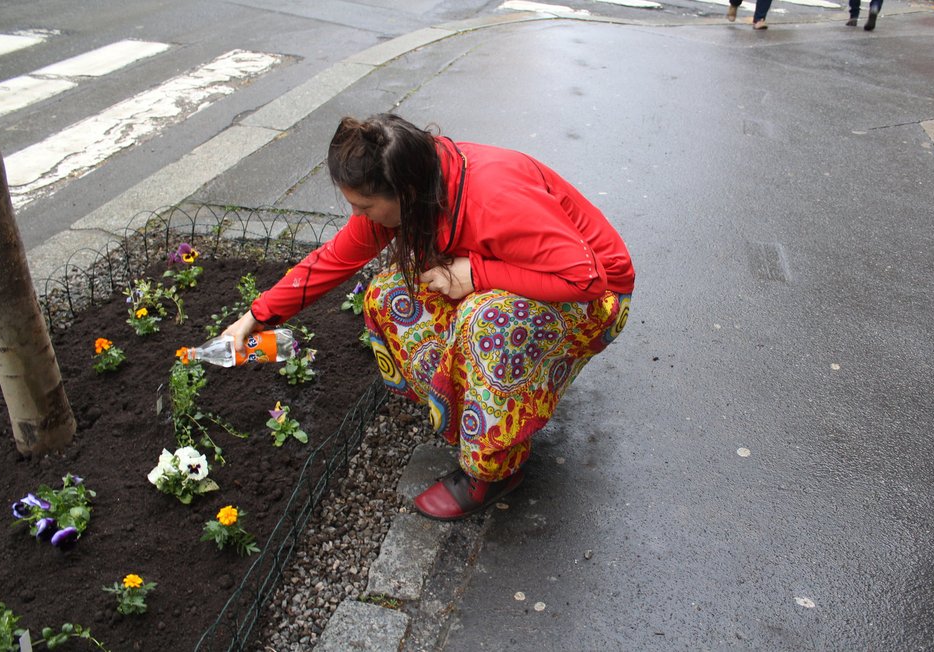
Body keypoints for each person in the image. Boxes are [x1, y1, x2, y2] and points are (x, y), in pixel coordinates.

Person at [224, 114, 635, 521]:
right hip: (527, 274)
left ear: (405, 190)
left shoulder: (493, 198)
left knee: (486, 323)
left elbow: (586, 280)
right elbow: (335, 258)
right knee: (388, 295)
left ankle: (493, 471)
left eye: (364, 206)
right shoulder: (421, 183)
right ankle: (473, 410)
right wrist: (256, 316)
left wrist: (476, 274)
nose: (360, 216)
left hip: (594, 300)